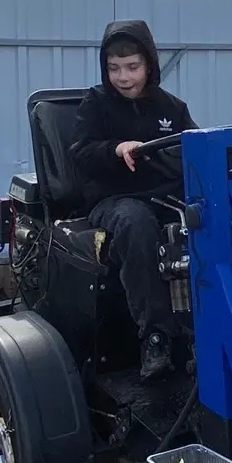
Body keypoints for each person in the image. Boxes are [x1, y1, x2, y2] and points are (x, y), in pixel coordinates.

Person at [71, 19, 196, 381]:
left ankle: (221, 320)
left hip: (165, 196)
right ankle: (156, 336)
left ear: (149, 65)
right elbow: (81, 152)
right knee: (137, 223)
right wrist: (116, 148)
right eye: (114, 68)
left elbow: (194, 146)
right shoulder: (95, 104)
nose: (123, 77)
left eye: (132, 67)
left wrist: (231, 149)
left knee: (230, 196)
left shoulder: (172, 108)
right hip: (114, 199)